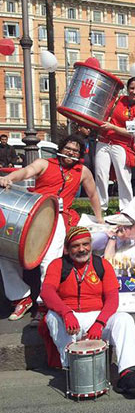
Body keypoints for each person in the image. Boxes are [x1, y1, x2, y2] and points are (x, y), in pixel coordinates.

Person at [0, 134, 103, 323]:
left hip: (59, 219)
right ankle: (20, 298)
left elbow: (93, 194)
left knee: (50, 261)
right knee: (6, 256)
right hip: (35, 216)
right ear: (60, 149)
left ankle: (44, 304)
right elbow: (25, 172)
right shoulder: (44, 163)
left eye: (75, 151)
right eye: (68, 149)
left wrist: (100, 219)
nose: (71, 153)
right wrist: (9, 178)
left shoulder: (83, 171)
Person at [40, 226, 135, 396]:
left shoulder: (102, 264)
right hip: (69, 318)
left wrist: (100, 323)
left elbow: (113, 299)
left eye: (85, 244)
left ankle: (128, 373)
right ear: (67, 249)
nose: (81, 249)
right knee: (52, 316)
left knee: (124, 319)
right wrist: (66, 313)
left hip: (97, 318)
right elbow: (46, 292)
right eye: (76, 246)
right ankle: (73, 368)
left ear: (91, 244)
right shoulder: (58, 265)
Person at [96, 77, 135, 211]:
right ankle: (101, 207)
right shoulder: (118, 100)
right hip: (103, 141)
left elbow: (132, 133)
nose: (134, 92)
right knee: (101, 175)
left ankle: (126, 208)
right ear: (127, 88)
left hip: (121, 145)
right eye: (132, 88)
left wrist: (113, 128)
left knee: (123, 176)